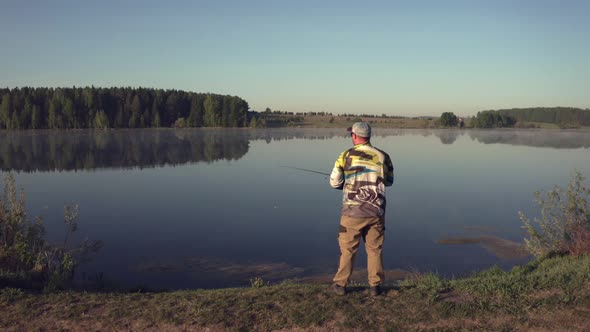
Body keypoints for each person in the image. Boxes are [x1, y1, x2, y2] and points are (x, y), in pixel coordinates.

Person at [329, 122, 394, 296]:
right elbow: (389, 181)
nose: (351, 136)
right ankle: (375, 286)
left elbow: (334, 182)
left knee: (348, 249)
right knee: (374, 249)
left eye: (351, 134)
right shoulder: (383, 156)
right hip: (376, 212)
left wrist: (344, 184)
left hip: (352, 212)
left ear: (355, 136)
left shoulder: (345, 156)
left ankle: (341, 285)